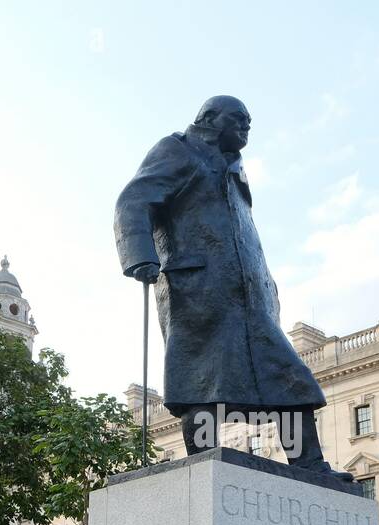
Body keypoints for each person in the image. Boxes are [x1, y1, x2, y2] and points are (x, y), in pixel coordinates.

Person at [114, 96, 349, 480]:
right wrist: (139, 255)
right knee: (199, 378)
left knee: (286, 376)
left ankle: (310, 464)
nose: (246, 127)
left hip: (249, 295)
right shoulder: (177, 149)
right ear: (209, 119)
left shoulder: (233, 163)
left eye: (249, 122)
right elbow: (133, 200)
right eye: (238, 119)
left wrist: (267, 287)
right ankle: (201, 457)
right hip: (198, 289)